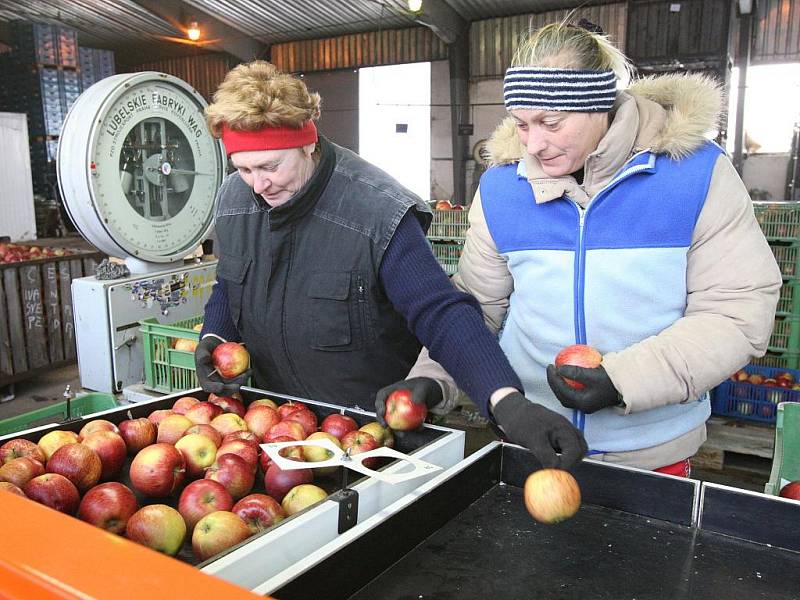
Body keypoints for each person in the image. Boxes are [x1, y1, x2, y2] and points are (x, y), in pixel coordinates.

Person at [378, 20, 781, 475]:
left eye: (550, 122)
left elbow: (736, 310)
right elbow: (473, 309)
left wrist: (624, 380)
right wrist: (433, 380)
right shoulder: (502, 190)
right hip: (530, 440)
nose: (534, 143)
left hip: (652, 453)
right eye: (522, 123)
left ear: (599, 105)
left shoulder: (695, 175)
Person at [194, 61, 587, 470]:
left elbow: (440, 311)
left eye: (271, 166)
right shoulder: (235, 199)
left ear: (307, 143)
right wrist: (215, 333)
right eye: (243, 169)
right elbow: (230, 281)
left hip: (368, 441)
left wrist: (504, 401)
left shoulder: (376, 212)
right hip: (274, 434)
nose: (258, 185)